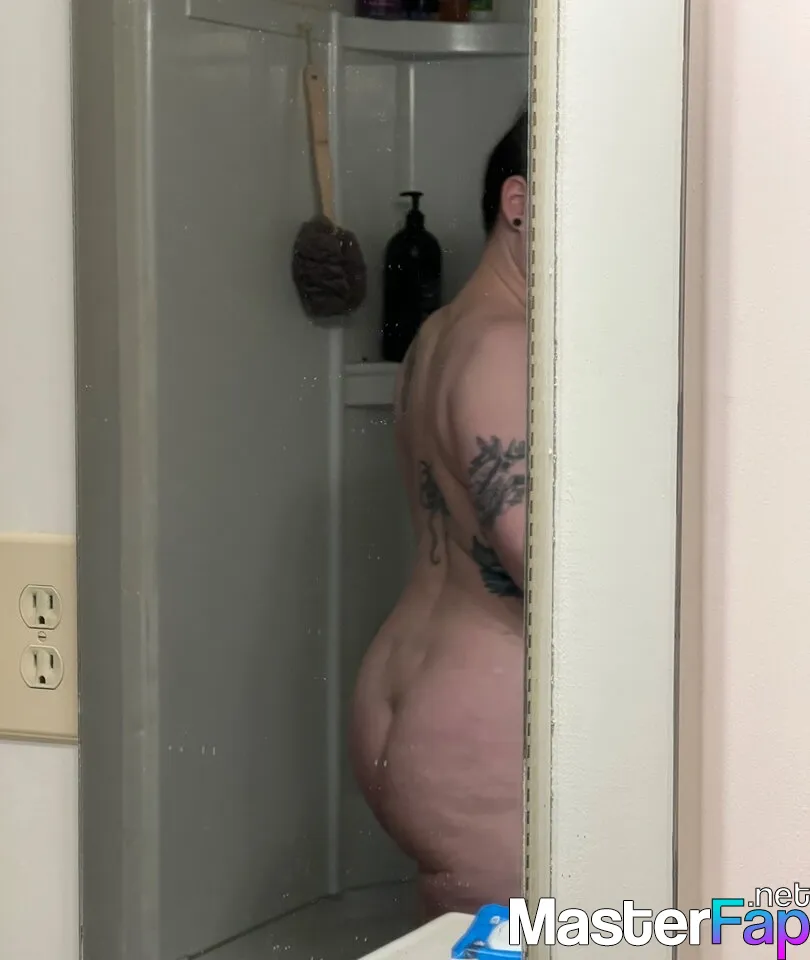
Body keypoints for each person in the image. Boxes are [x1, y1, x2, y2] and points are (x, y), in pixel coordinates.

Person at [349, 107, 529, 921]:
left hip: (418, 697)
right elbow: (545, 569)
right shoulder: (505, 346)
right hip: (477, 734)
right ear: (518, 204)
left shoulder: (436, 336)